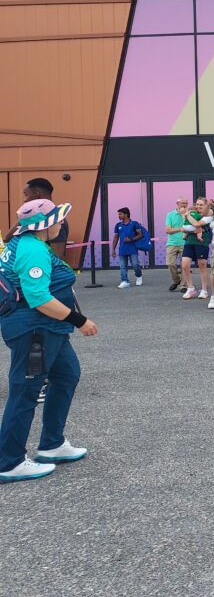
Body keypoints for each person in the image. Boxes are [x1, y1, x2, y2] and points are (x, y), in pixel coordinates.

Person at [0, 199, 98, 483]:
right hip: (36, 332)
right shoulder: (32, 249)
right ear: (43, 224)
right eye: (57, 219)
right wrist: (80, 321)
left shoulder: (24, 243)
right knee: (25, 391)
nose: (61, 224)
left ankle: (52, 444)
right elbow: (39, 298)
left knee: (67, 376)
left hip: (46, 331)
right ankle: (10, 461)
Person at [3, 178, 69, 262]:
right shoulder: (34, 220)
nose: (25, 200)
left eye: (26, 195)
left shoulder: (56, 222)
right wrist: (26, 216)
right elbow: (7, 238)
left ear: (36, 194)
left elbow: (57, 257)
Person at [180, 198, 212, 300]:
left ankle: (204, 290)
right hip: (189, 242)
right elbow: (185, 227)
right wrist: (188, 229)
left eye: (201, 205)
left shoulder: (208, 216)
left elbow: (197, 225)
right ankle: (190, 288)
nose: (198, 206)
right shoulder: (191, 213)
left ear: (206, 205)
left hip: (202, 242)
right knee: (185, 265)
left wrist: (187, 215)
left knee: (202, 265)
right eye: (197, 204)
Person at [111, 207, 144, 289]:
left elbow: (140, 234)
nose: (118, 216)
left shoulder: (134, 224)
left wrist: (131, 239)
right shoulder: (118, 225)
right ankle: (124, 281)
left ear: (126, 215)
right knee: (123, 266)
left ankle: (138, 276)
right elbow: (115, 237)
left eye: (120, 214)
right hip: (122, 249)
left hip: (133, 249)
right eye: (118, 214)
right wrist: (113, 249)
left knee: (135, 265)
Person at [164, 197, 188, 291]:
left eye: (186, 203)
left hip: (184, 242)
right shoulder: (170, 214)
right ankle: (176, 280)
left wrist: (184, 216)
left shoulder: (188, 214)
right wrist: (180, 229)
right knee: (170, 263)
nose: (185, 205)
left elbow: (190, 227)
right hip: (172, 243)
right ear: (177, 204)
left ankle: (184, 285)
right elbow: (167, 230)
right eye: (183, 203)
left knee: (184, 265)